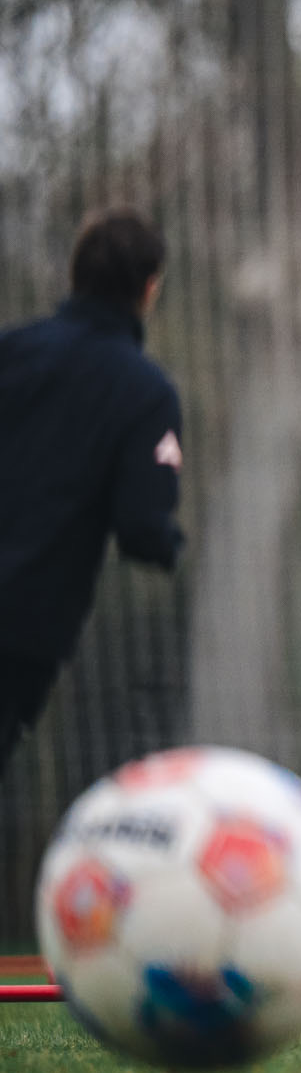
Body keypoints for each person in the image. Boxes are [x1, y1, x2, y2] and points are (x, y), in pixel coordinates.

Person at [0, 210, 183, 780]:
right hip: (21, 626)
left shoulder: (11, 350)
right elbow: (142, 527)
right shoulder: (145, 393)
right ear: (149, 288)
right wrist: (173, 545)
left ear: (74, 274)